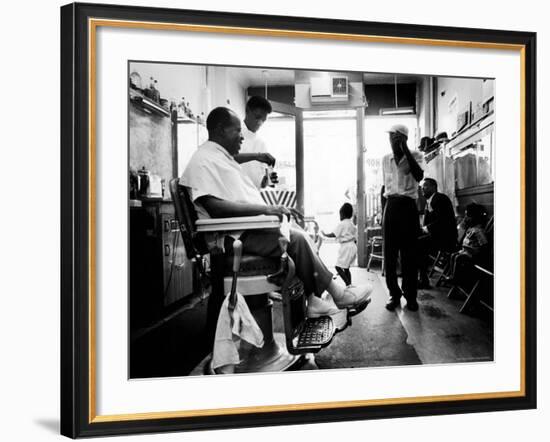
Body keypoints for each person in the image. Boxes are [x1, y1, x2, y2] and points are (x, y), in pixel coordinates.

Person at [180, 107, 372, 322]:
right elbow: (216, 208)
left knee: (296, 231)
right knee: (296, 239)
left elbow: (236, 159)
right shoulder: (204, 160)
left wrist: (258, 158)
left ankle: (313, 301)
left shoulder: (218, 156)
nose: (242, 136)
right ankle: (339, 295)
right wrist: (267, 209)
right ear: (219, 130)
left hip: (242, 232)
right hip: (231, 239)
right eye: (236, 131)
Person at [381, 124, 425, 312]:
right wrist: (384, 212)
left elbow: (419, 175)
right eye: (390, 137)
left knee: (409, 255)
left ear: (404, 139)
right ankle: (394, 294)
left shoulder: (416, 156)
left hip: (408, 208)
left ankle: (411, 296)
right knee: (389, 255)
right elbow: (385, 187)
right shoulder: (385, 159)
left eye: (396, 138)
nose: (392, 141)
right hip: (391, 206)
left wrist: (405, 149)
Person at [417, 178, 458, 288]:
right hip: (437, 235)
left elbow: (443, 222)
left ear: (433, 187)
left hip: (446, 238)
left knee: (419, 244)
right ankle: (416, 275)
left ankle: (423, 280)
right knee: (413, 239)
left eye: (425, 186)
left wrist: (425, 229)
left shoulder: (440, 199)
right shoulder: (430, 200)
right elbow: (428, 222)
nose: (422, 189)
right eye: (422, 186)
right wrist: (422, 229)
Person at [237, 96, 277, 189]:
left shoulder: (261, 143)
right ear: (247, 111)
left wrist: (268, 180)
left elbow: (261, 183)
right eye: (257, 117)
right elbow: (226, 158)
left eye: (263, 120)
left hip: (252, 197)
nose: (260, 122)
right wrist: (256, 156)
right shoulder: (234, 134)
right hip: (232, 196)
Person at [448, 203, 489, 285]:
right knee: (453, 255)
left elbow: (484, 245)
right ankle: (451, 275)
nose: (465, 218)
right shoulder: (471, 228)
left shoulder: (478, 231)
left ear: (475, 217)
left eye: (468, 216)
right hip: (466, 252)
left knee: (458, 258)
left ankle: (456, 279)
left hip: (473, 255)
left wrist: (475, 251)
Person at [322, 203, 357, 287]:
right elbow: (355, 238)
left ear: (343, 214)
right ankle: (350, 284)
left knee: (338, 267)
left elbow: (334, 234)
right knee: (346, 268)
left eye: (340, 214)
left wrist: (325, 234)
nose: (339, 217)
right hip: (352, 246)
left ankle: (348, 284)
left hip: (346, 247)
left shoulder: (342, 224)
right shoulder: (352, 224)